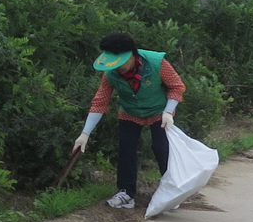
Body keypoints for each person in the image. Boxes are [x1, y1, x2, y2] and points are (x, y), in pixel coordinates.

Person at [71, 31, 186, 210]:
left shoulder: (156, 62)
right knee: (126, 147)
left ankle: (172, 191)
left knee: (161, 147)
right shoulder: (110, 74)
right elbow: (99, 103)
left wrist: (168, 111)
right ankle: (126, 193)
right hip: (130, 111)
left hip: (159, 111)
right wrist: (84, 134)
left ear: (132, 55)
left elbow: (177, 87)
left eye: (121, 63)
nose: (118, 68)